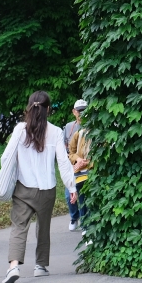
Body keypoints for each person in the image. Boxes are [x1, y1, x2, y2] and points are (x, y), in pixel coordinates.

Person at [1, 91, 77, 283]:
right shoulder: (56, 132)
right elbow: (63, 161)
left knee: (19, 226)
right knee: (43, 228)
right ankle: (40, 266)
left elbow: (6, 157)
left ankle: (13, 267)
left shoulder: (19, 130)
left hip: (23, 188)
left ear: (29, 107)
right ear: (48, 109)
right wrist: (71, 186)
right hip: (46, 189)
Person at [62, 99, 88, 231]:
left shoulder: (91, 126)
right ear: (74, 112)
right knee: (68, 195)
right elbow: (63, 149)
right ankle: (74, 217)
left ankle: (85, 224)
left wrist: (83, 162)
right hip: (70, 166)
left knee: (83, 195)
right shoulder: (68, 127)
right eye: (79, 111)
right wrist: (74, 161)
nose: (82, 113)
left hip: (86, 167)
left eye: (84, 110)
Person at [67, 122, 92, 233]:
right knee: (81, 200)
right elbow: (71, 153)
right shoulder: (78, 133)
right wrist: (78, 160)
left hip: (94, 174)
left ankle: (90, 227)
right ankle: (84, 227)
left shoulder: (100, 134)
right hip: (80, 175)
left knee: (91, 202)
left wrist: (87, 163)